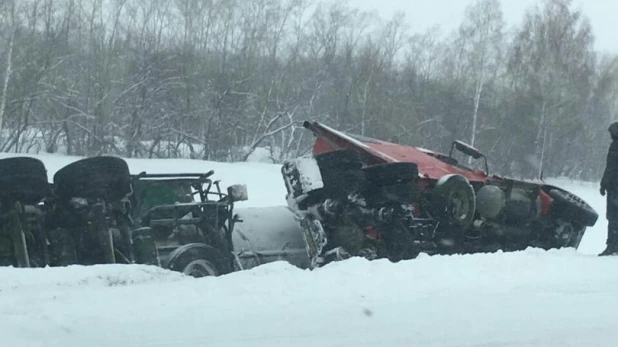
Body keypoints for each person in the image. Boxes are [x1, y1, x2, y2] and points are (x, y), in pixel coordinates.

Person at [599, 122, 618, 256]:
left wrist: (604, 183)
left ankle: (612, 245)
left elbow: (611, 167)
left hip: (615, 187)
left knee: (613, 217)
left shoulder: (615, 146)